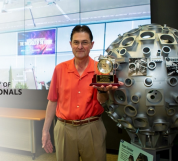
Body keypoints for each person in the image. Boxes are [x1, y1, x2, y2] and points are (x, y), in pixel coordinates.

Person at [41, 25, 123, 161]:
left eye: (84, 42)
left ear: (91, 45)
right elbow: (52, 101)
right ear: (70, 44)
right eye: (76, 42)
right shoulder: (60, 69)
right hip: (64, 129)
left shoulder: (101, 69)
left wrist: (102, 90)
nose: (80, 46)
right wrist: (45, 131)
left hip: (92, 129)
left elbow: (102, 100)